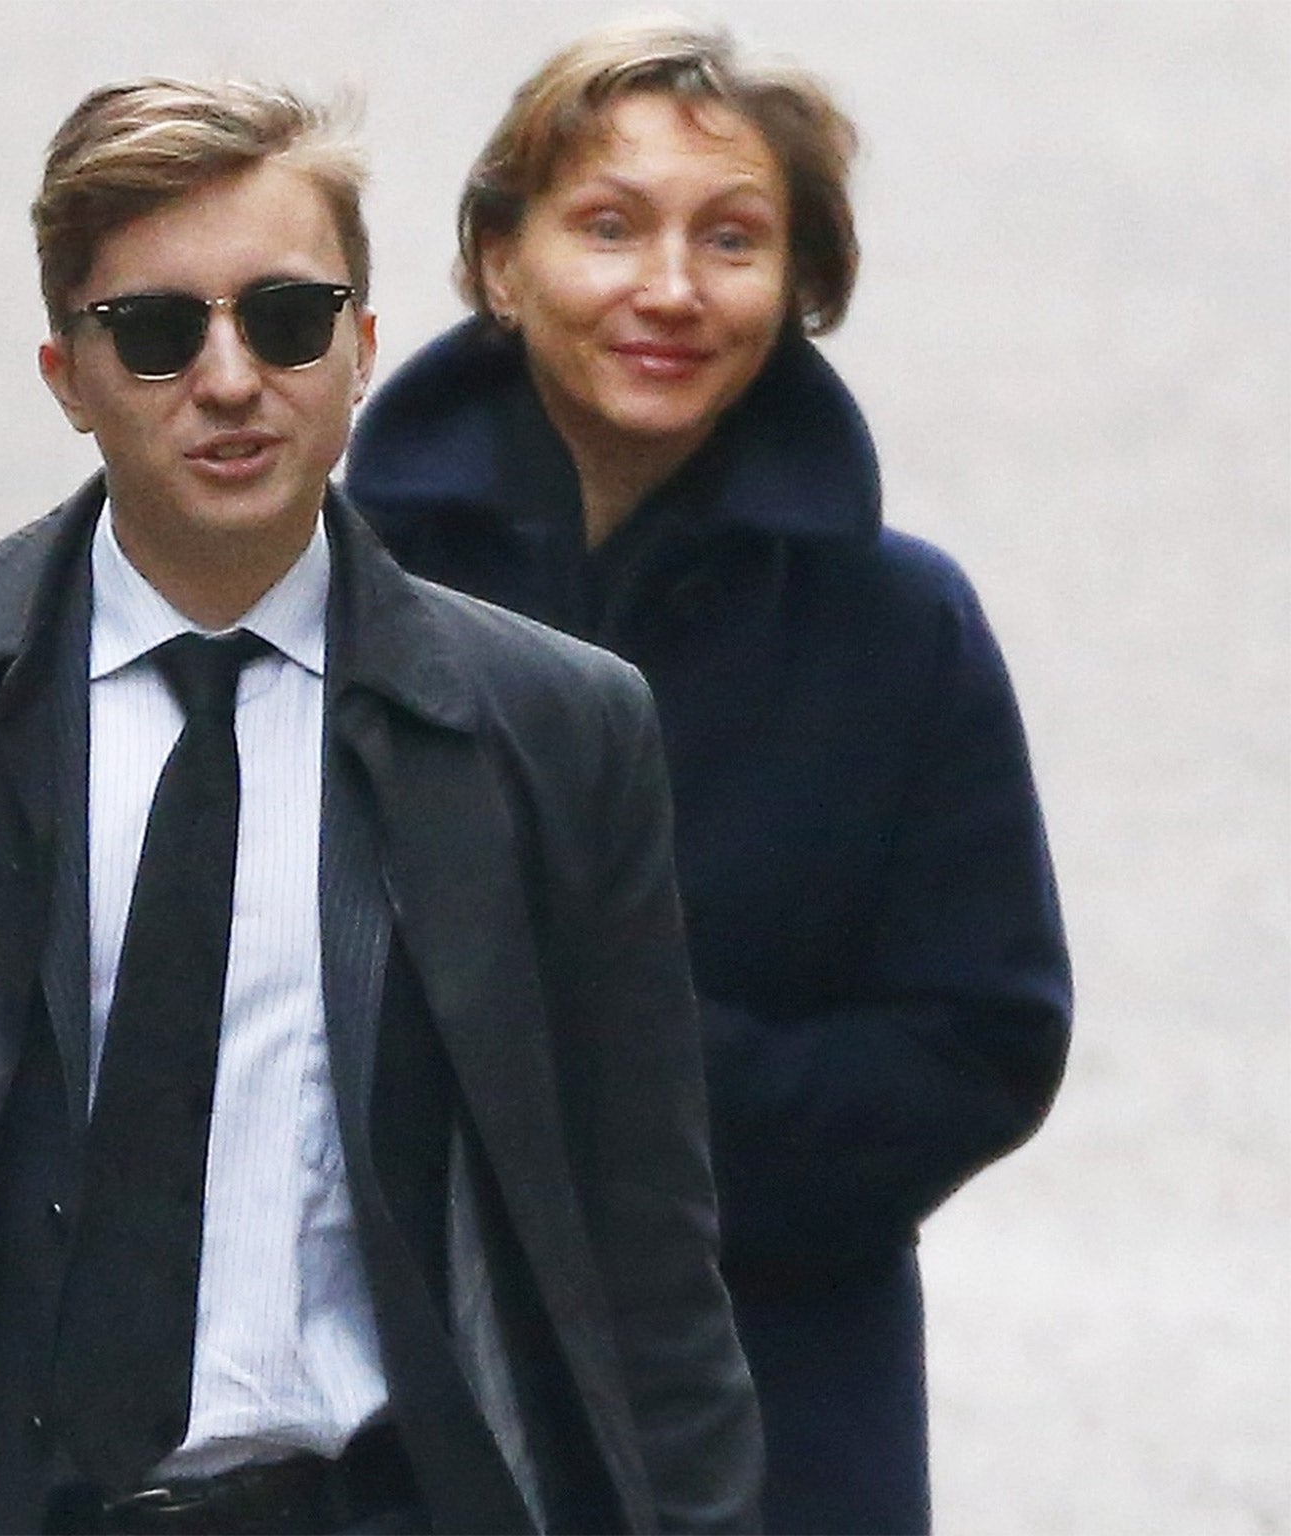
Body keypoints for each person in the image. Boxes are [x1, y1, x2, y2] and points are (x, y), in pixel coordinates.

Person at [0, 76, 762, 1536]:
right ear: (66, 376)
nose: (230, 380)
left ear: (361, 349)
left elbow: (652, 1276)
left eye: (286, 320)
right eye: (158, 334)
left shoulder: (555, 734)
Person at [345, 19, 1071, 1535]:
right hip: (382, 1409)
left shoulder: (900, 627)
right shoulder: (343, 597)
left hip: (775, 1397)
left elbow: (982, 1040)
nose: (669, 289)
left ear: (800, 285)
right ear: (500, 263)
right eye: (609, 227)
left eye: (731, 239)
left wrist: (645, 1113)